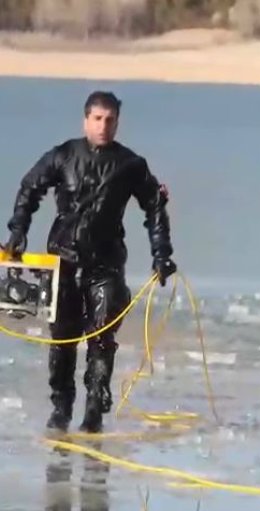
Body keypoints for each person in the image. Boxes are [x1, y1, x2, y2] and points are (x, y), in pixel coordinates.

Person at [0, 91, 177, 434]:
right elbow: (29, 189)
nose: (103, 126)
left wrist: (162, 254)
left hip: (105, 265)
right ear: (86, 120)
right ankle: (61, 408)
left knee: (101, 339)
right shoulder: (63, 155)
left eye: (110, 120)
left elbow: (154, 206)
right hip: (62, 262)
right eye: (97, 119)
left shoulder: (131, 165)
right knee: (63, 338)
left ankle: (94, 412)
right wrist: (18, 231)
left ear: (117, 123)